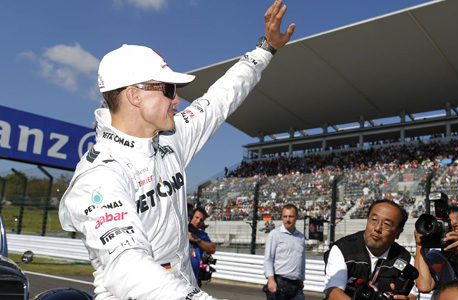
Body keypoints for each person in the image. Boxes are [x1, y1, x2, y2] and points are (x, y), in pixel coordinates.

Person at [57, 1, 295, 298]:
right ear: (134, 95)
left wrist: (265, 49)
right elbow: (127, 267)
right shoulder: (99, 176)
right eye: (168, 89)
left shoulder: (171, 137)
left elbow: (220, 99)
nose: (177, 100)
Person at [324, 199, 417, 300]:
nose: (377, 228)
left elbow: (411, 296)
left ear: (398, 232)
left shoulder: (404, 258)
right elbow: (333, 292)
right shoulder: (343, 249)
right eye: (373, 220)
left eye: (387, 224)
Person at [414, 206, 458, 293]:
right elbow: (424, 286)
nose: (450, 232)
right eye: (447, 227)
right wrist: (419, 245)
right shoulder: (437, 256)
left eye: (456, 227)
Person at [264, 204, 306, 300]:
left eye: (291, 216)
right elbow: (268, 259)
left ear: (296, 217)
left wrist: (302, 279)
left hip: (296, 285)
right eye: (285, 216)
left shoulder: (301, 237)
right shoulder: (275, 234)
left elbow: (301, 259)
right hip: (279, 283)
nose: (287, 220)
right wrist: (270, 280)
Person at [189, 206, 216, 287]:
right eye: (196, 217)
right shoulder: (182, 229)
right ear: (191, 217)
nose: (198, 221)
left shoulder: (201, 235)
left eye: (201, 220)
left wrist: (197, 239)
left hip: (194, 278)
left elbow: (212, 249)